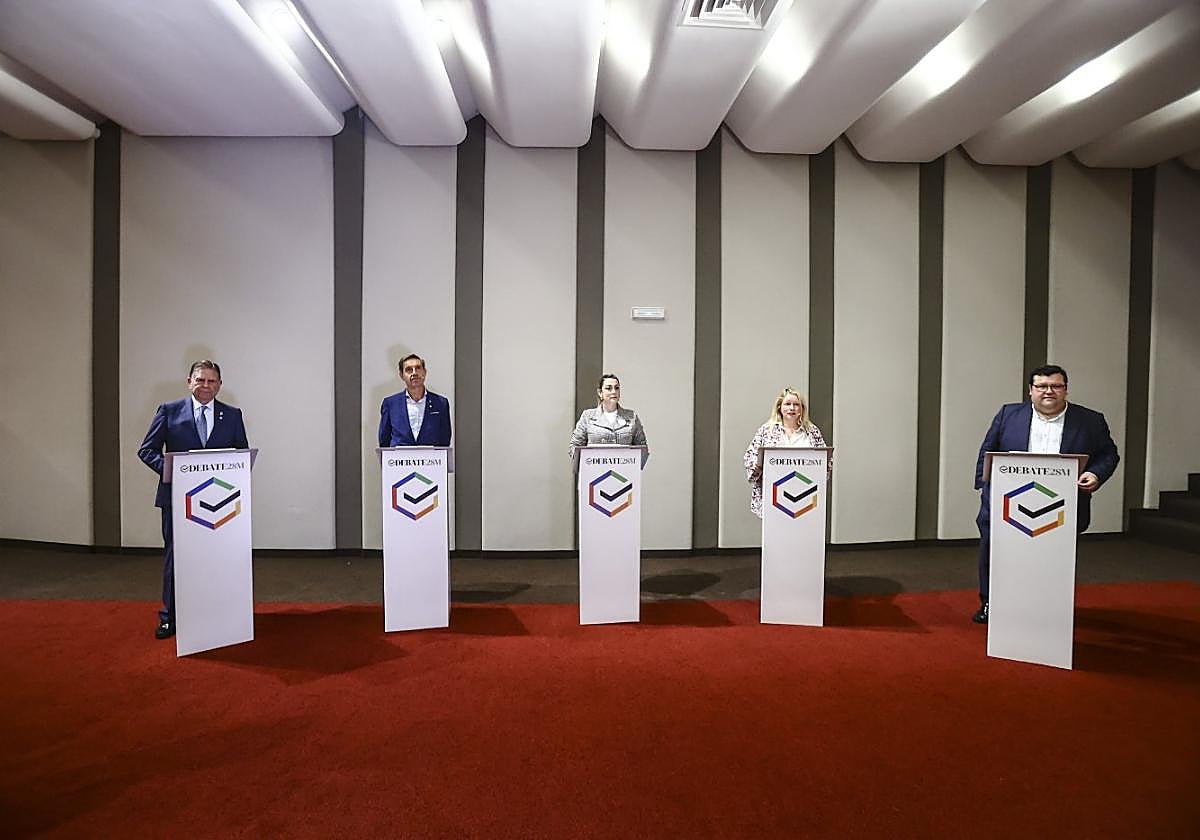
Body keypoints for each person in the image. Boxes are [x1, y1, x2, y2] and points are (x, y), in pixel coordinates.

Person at [971, 364, 1119, 624]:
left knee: (1051, 559)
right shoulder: (1008, 414)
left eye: (1056, 386)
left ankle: (1049, 607)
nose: (1048, 391)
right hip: (1006, 505)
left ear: (1066, 390)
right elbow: (988, 450)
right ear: (1030, 391)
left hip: (1061, 507)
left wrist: (1095, 475)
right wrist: (986, 488)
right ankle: (990, 603)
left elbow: (1109, 454)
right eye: (1041, 386)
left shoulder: (1090, 420)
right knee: (995, 554)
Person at [137, 360, 249, 640]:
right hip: (178, 500)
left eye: (212, 381)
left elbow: (242, 454)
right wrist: (175, 472)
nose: (206, 386)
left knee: (218, 559)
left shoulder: (232, 415)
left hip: (221, 504)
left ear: (220, 385)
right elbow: (146, 450)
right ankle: (170, 617)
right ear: (189, 382)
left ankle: (217, 613)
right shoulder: (169, 411)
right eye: (200, 380)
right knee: (176, 560)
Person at [743, 387, 828, 518]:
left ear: (802, 409)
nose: (792, 408)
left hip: (806, 496)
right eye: (787, 404)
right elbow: (750, 456)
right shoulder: (767, 430)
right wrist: (756, 467)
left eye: (796, 405)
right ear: (780, 407)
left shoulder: (812, 431)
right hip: (775, 495)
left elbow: (826, 459)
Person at [378, 354, 452, 448]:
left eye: (418, 368)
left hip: (431, 460)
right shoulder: (390, 404)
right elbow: (384, 441)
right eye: (409, 370)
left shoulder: (441, 403)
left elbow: (445, 440)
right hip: (400, 460)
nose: (414, 373)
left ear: (424, 372)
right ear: (402, 375)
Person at [568, 373, 648, 460]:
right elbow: (574, 447)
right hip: (595, 471)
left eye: (616, 388)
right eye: (608, 388)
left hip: (622, 471)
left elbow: (642, 449)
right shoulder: (587, 416)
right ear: (600, 393)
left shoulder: (631, 416)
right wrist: (586, 464)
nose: (614, 391)